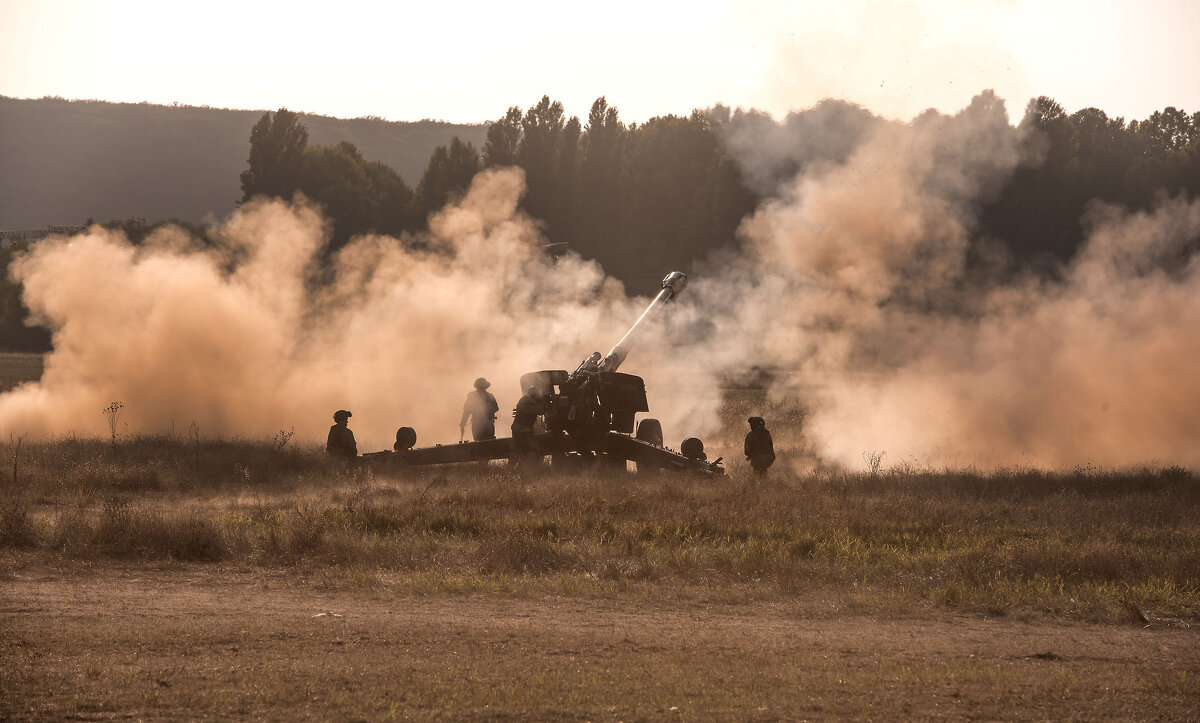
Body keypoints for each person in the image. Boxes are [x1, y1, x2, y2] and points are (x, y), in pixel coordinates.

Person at [510, 386, 544, 466]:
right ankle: (531, 468)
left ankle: (513, 468)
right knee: (534, 448)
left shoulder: (525, 399)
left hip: (518, 428)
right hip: (523, 429)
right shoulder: (529, 401)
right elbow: (540, 411)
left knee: (518, 449)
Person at [460, 377, 500, 442]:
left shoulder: (472, 396)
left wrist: (463, 423)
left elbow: (466, 411)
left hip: (480, 424)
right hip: (485, 424)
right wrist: (462, 423)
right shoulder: (489, 396)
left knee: (480, 443)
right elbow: (496, 408)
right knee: (488, 443)